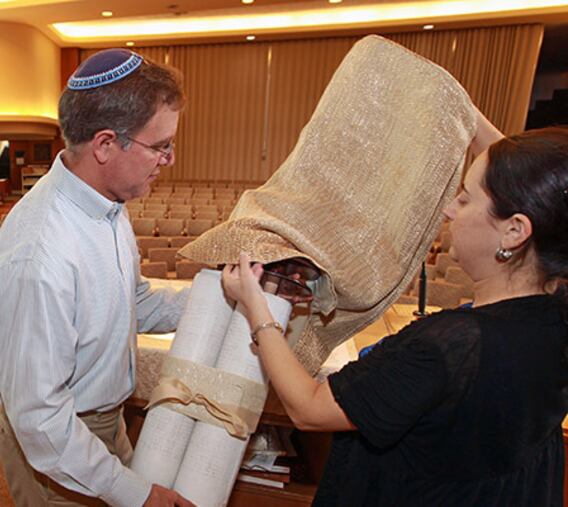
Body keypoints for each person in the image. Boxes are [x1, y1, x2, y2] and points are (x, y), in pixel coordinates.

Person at [221, 123, 568, 506]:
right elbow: (550, 191)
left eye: (466, 199)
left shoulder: (450, 346)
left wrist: (258, 309)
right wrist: (466, 116)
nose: (451, 209)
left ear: (515, 230)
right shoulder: (554, 313)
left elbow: (309, 408)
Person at [0, 49, 193, 507]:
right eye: (160, 145)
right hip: (57, 448)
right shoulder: (40, 256)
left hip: (102, 420)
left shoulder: (106, 204)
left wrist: (220, 296)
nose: (169, 159)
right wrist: (136, 494)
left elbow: (129, 304)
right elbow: (41, 420)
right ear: (104, 145)